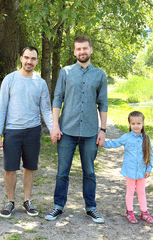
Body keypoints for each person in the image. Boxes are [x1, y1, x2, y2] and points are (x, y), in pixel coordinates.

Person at [45, 36, 108, 224]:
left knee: (89, 172)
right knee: (62, 171)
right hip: (66, 131)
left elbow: (103, 104)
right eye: (78, 49)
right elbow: (57, 99)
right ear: (74, 52)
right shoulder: (65, 72)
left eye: (85, 48)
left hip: (90, 132)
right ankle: (58, 206)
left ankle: (91, 208)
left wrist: (102, 130)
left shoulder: (100, 75)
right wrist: (55, 126)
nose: (82, 52)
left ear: (91, 50)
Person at [0, 46, 53, 218]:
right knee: (9, 169)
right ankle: (10, 202)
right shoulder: (10, 79)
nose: (29, 61)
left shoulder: (40, 83)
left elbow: (46, 110)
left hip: (33, 131)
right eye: (27, 58)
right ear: (21, 58)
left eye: (33, 59)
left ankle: (27, 201)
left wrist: (53, 129)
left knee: (29, 167)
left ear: (36, 61)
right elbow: (2, 107)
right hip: (12, 130)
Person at [103, 111, 153, 224]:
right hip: (130, 171)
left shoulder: (146, 139)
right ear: (130, 124)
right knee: (130, 191)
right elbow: (114, 143)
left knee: (141, 191)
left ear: (143, 124)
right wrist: (102, 143)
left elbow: (151, 155)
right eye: (133, 124)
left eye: (138, 123)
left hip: (142, 172)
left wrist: (148, 169)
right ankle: (129, 212)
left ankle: (144, 213)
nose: (136, 126)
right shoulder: (126, 137)